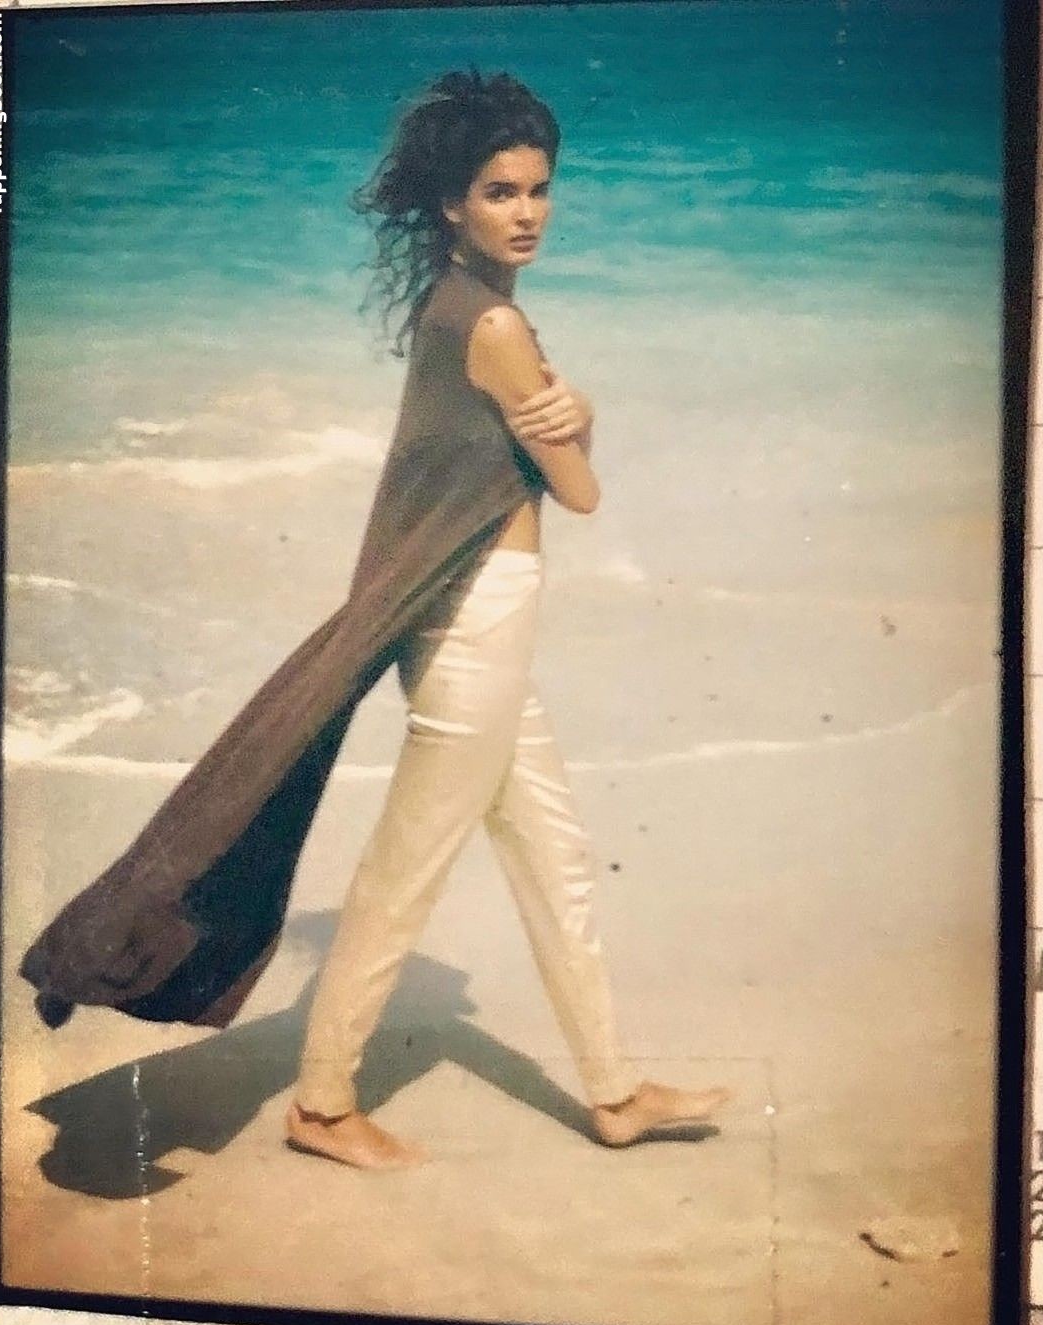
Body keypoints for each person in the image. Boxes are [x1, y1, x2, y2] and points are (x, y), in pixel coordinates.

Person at [283, 69, 734, 1170]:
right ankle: (322, 1106)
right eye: (499, 192)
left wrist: (569, 415)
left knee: (557, 859)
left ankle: (615, 1094)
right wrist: (586, 415)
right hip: (475, 627)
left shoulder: (457, 305)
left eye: (538, 188)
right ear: (452, 204)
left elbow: (487, 461)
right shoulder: (492, 324)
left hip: (477, 624)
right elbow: (578, 491)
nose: (527, 212)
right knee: (405, 874)